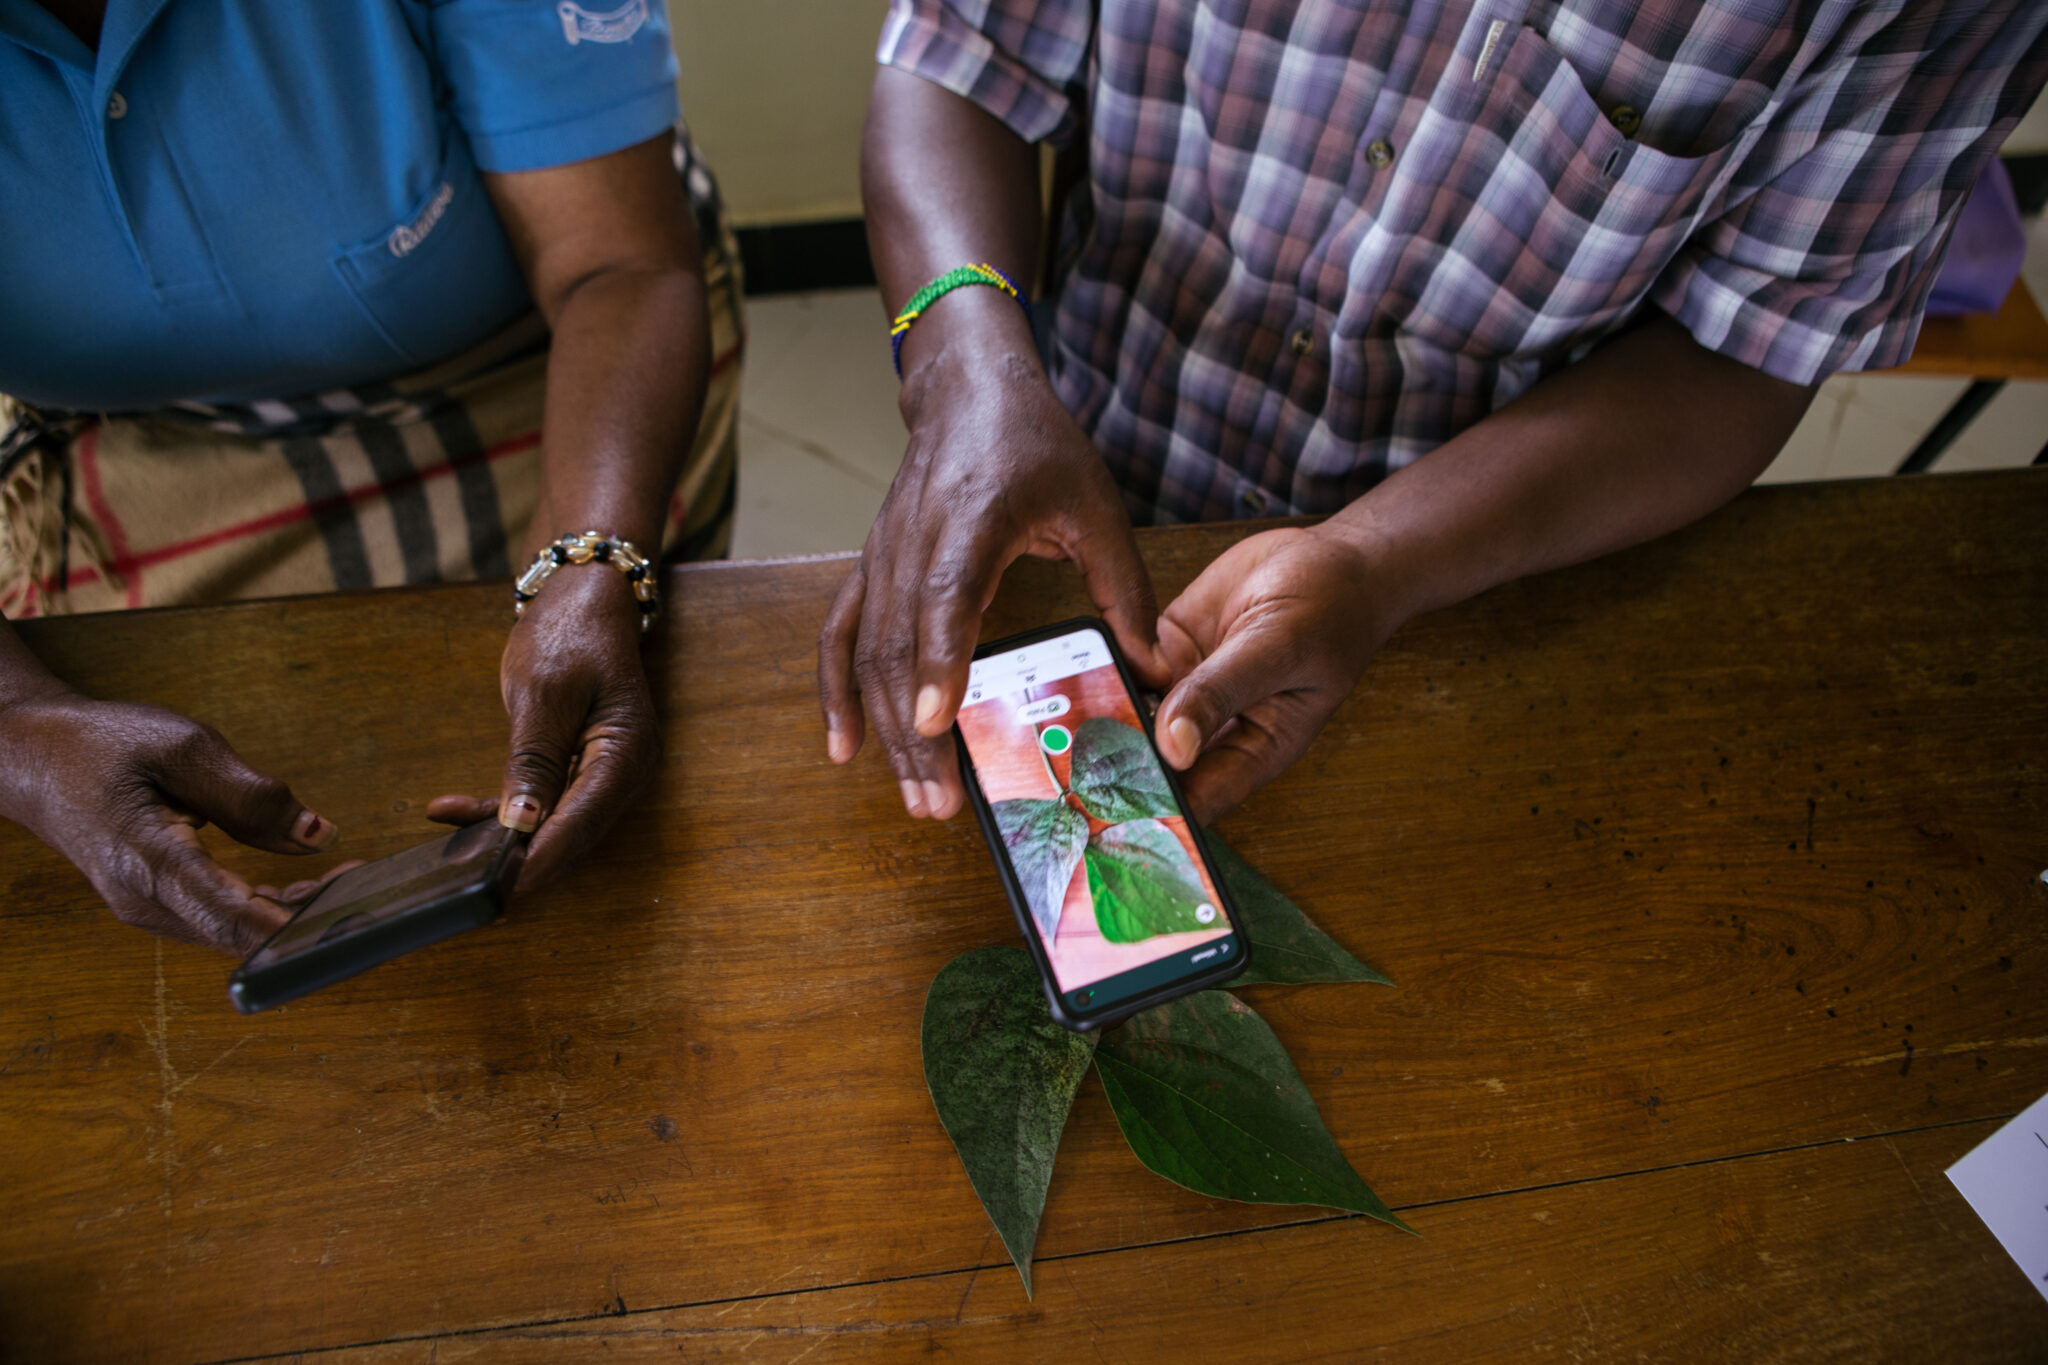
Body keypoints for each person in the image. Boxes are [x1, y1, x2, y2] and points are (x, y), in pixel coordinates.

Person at [820, 0, 2048, 824]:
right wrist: (968, 372)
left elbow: (1743, 353)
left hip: (1475, 597)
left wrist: (1369, 563)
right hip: (1067, 454)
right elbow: (954, 60)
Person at [0, 0, 741, 951]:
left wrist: (591, 561)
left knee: (618, 828)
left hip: (557, 381)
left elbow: (619, 263)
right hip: (134, 442)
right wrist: (21, 727)